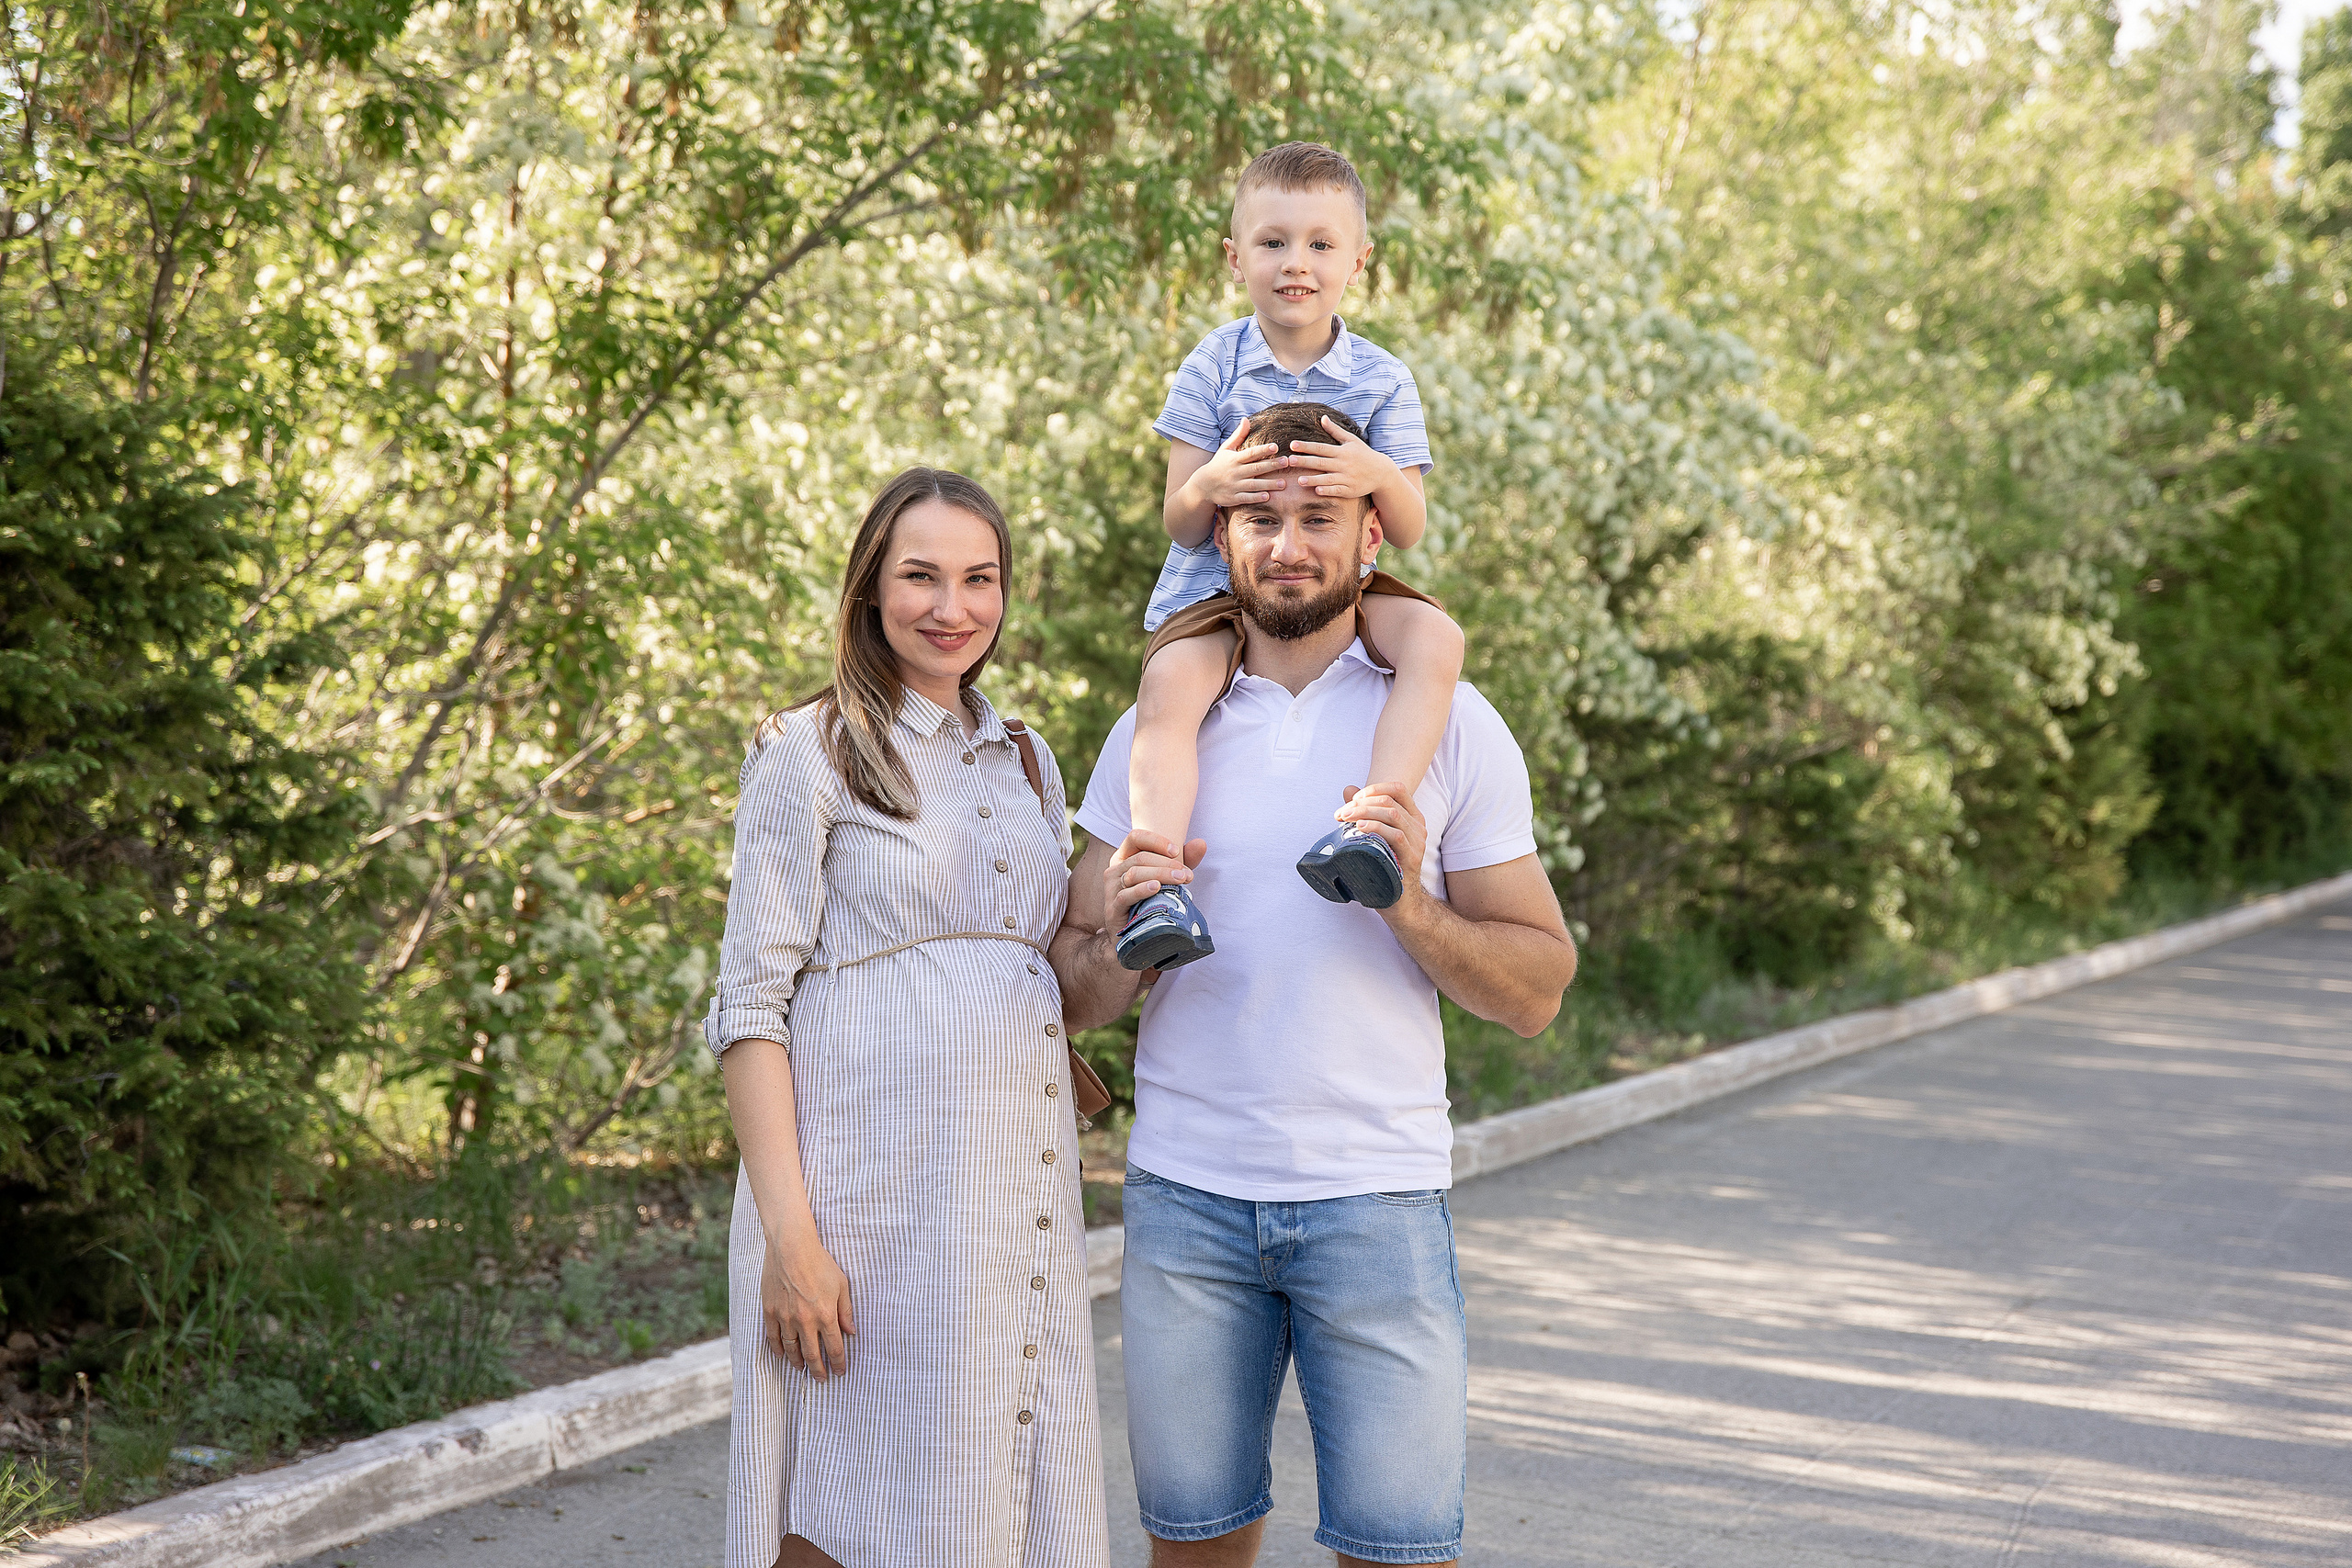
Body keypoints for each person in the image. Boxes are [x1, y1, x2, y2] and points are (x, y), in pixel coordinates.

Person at [1050, 400, 1578, 1567]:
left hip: (1375, 1201)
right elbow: (1071, 989)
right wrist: (1118, 942)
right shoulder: (1156, 729)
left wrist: (1405, 900)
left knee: (1398, 1554)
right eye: (1258, 515)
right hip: (1187, 1201)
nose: (1287, 543)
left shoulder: (1449, 725)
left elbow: (1536, 986)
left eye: (1317, 515)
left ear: (1370, 536)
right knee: (1193, 1548)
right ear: (1220, 537)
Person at [704, 468, 1109, 1568]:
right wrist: (792, 1240)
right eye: (920, 575)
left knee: (996, 1479)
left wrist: (1140, 923)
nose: (952, 607)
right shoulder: (810, 749)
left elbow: (1057, 987)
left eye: (980, 579)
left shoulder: (1027, 756)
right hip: (859, 1203)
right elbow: (749, 1009)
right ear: (870, 589)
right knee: (841, 1494)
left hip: (1004, 1198)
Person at [1115, 141, 1465, 974]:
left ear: (1358, 261)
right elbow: (1179, 517)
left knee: (1437, 641)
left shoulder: (1383, 380)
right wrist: (1215, 478)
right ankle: (1160, 884)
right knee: (1168, 687)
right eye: (1272, 242)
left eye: (1320, 243)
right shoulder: (1213, 364)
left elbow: (1408, 525)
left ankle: (1371, 827)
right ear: (1237, 258)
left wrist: (1377, 471)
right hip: (1219, 587)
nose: (1295, 263)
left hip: (1338, 583)